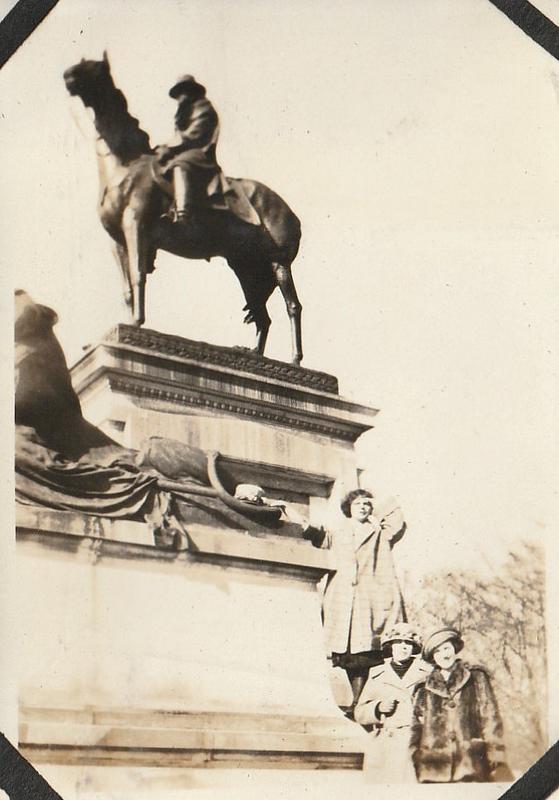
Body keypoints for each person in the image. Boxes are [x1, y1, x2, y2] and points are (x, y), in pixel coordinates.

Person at [304, 489, 407, 710]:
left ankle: (361, 703)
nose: (362, 507)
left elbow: (397, 519)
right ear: (348, 509)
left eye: (367, 504)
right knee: (348, 654)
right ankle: (357, 701)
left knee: (367, 652)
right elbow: (318, 537)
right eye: (358, 503)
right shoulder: (339, 532)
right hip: (342, 600)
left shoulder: (380, 532)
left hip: (370, 600)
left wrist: (376, 509)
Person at [409, 627, 513, 783]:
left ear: (455, 649)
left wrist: (495, 755)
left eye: (446, 648)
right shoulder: (424, 687)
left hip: (471, 763)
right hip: (433, 767)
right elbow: (416, 725)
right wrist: (415, 756)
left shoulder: (476, 677)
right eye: (437, 652)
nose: (444, 654)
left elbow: (490, 717)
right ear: (432, 658)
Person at [354, 623, 431, 780]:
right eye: (398, 642)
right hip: (385, 743)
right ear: (391, 646)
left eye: (408, 643)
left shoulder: (426, 673)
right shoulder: (376, 673)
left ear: (414, 648)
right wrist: (378, 708)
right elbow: (359, 713)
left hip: (416, 741)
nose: (403, 647)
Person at [156, 74, 221, 223]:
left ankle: (182, 214)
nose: (180, 97)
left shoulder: (204, 109)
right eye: (178, 93)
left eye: (183, 91)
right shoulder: (183, 114)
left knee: (180, 165)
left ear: (192, 91)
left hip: (201, 152)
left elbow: (193, 135)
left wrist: (169, 148)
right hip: (184, 151)